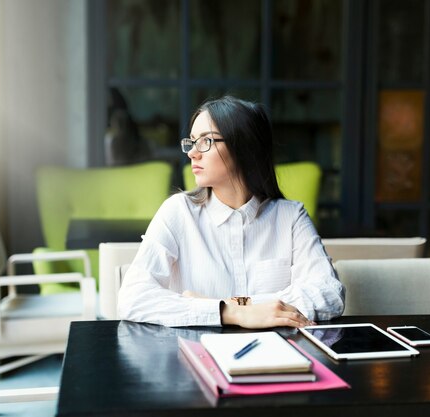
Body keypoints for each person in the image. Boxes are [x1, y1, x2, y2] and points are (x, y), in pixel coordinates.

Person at [118, 96, 344, 328]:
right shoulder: (178, 212)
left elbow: (329, 293)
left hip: (278, 354)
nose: (193, 153)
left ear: (244, 147)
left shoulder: (290, 216)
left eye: (206, 141)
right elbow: (133, 297)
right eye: (192, 141)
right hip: (198, 353)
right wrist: (231, 313)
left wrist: (232, 304)